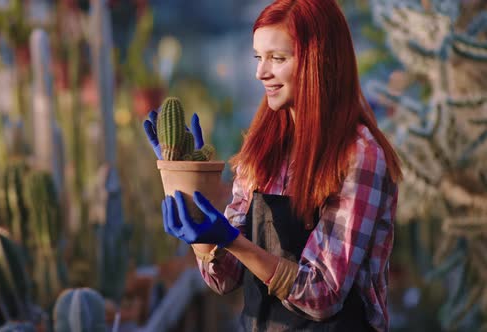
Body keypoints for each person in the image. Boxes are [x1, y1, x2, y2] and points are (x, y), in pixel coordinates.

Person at [144, 0, 402, 330]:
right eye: (258, 57)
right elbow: (226, 279)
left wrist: (234, 241)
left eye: (277, 58)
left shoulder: (358, 154)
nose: (260, 72)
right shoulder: (262, 148)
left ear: (318, 61)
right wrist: (201, 230)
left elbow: (323, 294)